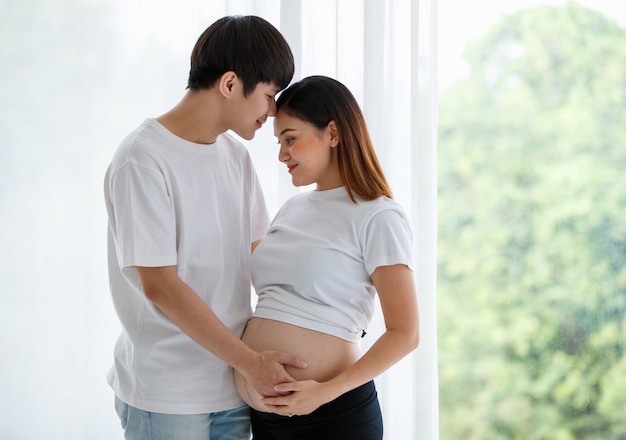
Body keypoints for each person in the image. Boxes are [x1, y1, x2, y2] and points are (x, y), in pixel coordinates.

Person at [103, 15, 307, 440]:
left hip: (232, 390)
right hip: (167, 396)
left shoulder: (235, 157)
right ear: (230, 84)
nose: (272, 113)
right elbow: (161, 286)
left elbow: (258, 255)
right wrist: (251, 362)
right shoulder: (142, 159)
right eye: (269, 96)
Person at [234, 75, 420, 439]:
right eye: (279, 142)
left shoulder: (378, 215)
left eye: (290, 139)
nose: (281, 154)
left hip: (331, 417)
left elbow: (405, 333)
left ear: (332, 133)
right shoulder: (291, 208)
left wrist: (322, 392)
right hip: (264, 421)